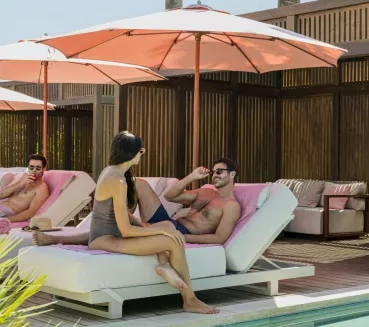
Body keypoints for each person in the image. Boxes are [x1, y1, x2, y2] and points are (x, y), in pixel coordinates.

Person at [59, 131, 217, 314]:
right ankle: (190, 300)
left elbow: (123, 215)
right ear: (131, 153)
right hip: (104, 239)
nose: (142, 154)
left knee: (168, 226)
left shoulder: (115, 172)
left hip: (114, 234)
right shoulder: (116, 180)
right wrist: (159, 232)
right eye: (141, 151)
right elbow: (125, 230)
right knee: (173, 240)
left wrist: (149, 227)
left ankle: (164, 264)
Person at [33, 158, 242, 246]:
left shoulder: (231, 206)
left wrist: (182, 238)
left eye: (220, 172)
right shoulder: (206, 192)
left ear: (232, 175)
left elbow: (219, 238)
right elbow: (171, 196)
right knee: (138, 184)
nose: (215, 175)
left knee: (116, 230)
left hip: (178, 231)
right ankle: (124, 218)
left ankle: (55, 239)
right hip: (169, 223)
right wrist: (192, 177)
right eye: (214, 171)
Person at [0, 155, 50, 223]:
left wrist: (6, 220)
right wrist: (20, 184)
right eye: (31, 167)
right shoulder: (24, 178)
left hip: (6, 212)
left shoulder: (42, 189)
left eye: (38, 168)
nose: (34, 171)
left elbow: (31, 212)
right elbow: (1, 195)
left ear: (43, 169)